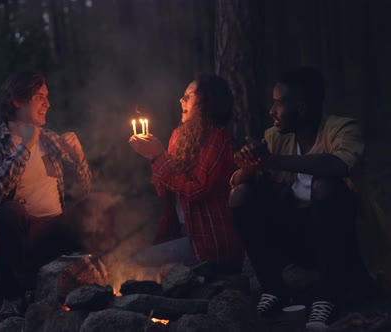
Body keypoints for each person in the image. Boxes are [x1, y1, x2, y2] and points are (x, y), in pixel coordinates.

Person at [228, 67, 371, 330]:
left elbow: (340, 165)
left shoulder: (343, 128)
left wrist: (273, 161)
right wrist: (252, 164)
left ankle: (328, 295)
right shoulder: (275, 137)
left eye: (279, 103)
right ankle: (274, 288)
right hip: (296, 237)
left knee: (325, 186)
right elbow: (237, 181)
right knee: (240, 195)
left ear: (302, 108)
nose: (272, 111)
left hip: (340, 239)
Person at [0, 72, 92, 320]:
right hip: (20, 234)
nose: (47, 104)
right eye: (40, 97)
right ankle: (12, 298)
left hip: (55, 228)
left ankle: (93, 282)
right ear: (17, 101)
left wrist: (79, 159)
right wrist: (25, 147)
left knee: (97, 205)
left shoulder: (50, 139)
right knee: (8, 212)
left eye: (47, 97)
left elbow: (82, 191)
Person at [128, 73, 243, 273]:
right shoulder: (178, 136)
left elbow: (195, 189)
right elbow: (167, 194)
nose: (181, 100)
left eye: (189, 95)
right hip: (183, 232)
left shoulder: (217, 139)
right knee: (133, 257)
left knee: (137, 262)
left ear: (207, 102)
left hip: (207, 241)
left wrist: (158, 158)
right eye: (183, 95)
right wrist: (153, 159)